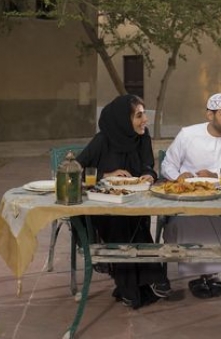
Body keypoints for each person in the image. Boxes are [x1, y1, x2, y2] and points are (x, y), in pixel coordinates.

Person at [76, 94, 171, 309]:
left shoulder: (142, 138)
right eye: (139, 115)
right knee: (120, 221)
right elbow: (74, 170)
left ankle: (130, 287)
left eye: (144, 114)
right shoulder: (102, 140)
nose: (145, 120)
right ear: (122, 120)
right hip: (102, 206)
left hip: (135, 203)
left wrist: (148, 176)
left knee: (130, 220)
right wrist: (105, 175)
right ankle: (151, 277)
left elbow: (148, 166)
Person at [161, 93, 221, 299]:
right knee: (188, 221)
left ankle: (212, 274)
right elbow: (168, 164)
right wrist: (178, 177)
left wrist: (216, 176)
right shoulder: (188, 134)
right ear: (210, 115)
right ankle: (199, 274)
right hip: (191, 200)